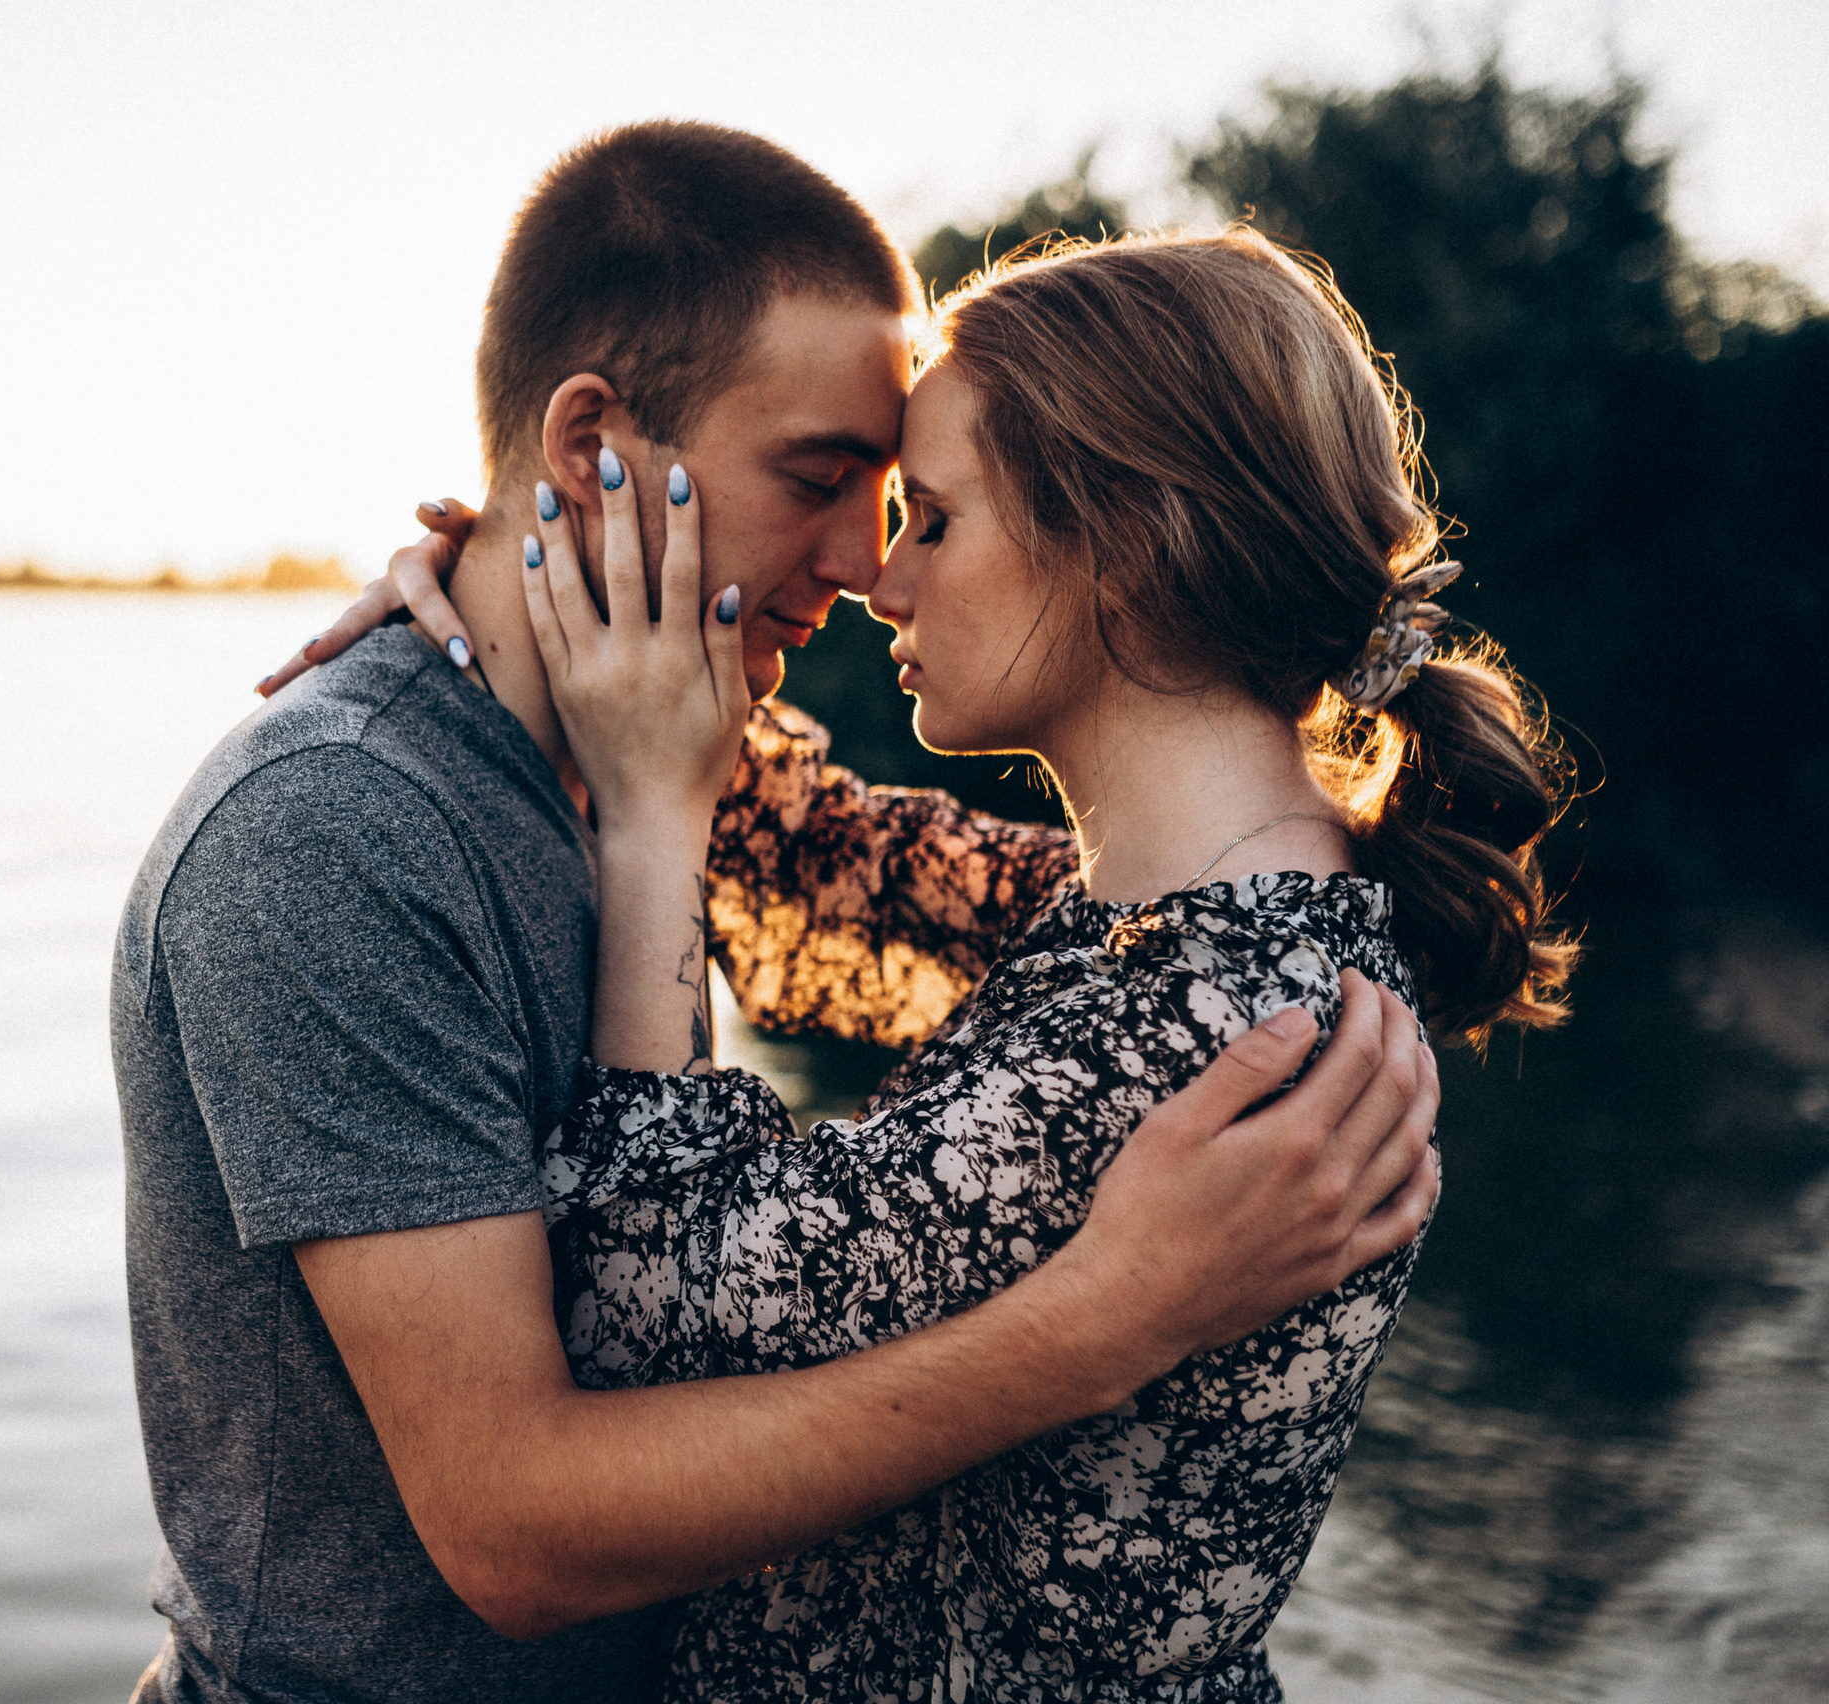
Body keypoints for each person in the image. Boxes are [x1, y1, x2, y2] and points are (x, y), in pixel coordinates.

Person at [115, 124, 1438, 1704]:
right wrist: (1098, 1324)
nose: (866, 567)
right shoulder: (336, 834)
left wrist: (534, 607)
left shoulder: (717, 782)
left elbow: (1032, 909)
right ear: (593, 443)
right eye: (820, 483)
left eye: (910, 507)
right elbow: (517, 1527)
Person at [388, 228, 1570, 1699]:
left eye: (932, 520)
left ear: (1123, 543)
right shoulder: (1208, 928)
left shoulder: (1196, 1031)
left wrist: (649, 826)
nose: (883, 576)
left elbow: (636, 1325)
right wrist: (521, 573)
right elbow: (830, 859)